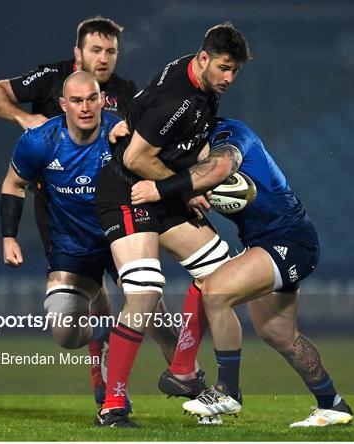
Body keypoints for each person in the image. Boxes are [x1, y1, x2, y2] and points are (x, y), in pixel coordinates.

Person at [0, 16, 179, 406]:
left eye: (111, 51)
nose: (103, 59)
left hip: (118, 218)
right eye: (95, 50)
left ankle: (191, 381)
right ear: (77, 54)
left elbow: (146, 155)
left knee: (152, 309)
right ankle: (101, 331)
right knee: (68, 327)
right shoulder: (49, 80)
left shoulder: (126, 95)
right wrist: (23, 117)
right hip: (64, 216)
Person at [130, 117, 354, 427]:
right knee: (279, 334)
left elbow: (221, 166)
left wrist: (160, 188)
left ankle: (227, 391)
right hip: (263, 243)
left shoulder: (231, 134)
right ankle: (332, 403)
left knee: (215, 290)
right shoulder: (185, 156)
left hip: (290, 240)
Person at [93, 22, 250, 428]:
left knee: (218, 272)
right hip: (129, 192)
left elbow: (154, 115)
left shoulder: (200, 84)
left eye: (235, 71)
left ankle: (182, 370)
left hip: (161, 190)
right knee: (144, 293)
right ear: (203, 59)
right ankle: (113, 403)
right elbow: (135, 159)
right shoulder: (179, 98)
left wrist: (186, 179)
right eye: (225, 68)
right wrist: (185, 189)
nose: (229, 78)